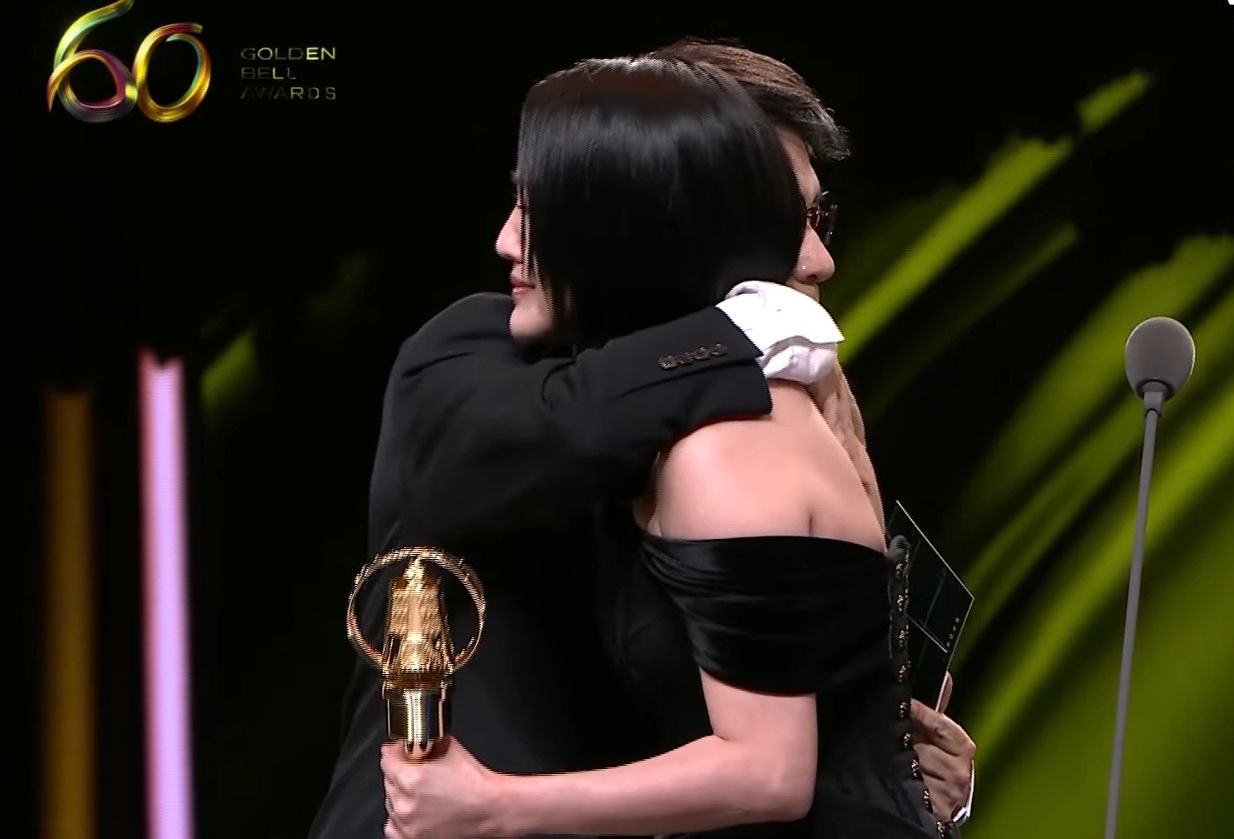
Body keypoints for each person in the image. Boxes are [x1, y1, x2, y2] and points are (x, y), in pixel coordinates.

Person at [307, 41, 975, 839]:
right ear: (656, 205)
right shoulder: (473, 357)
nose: (818, 258)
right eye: (781, 217)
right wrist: (744, 332)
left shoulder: (756, 414)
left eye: (814, 216)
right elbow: (568, 425)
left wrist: (898, 768)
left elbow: (783, 738)